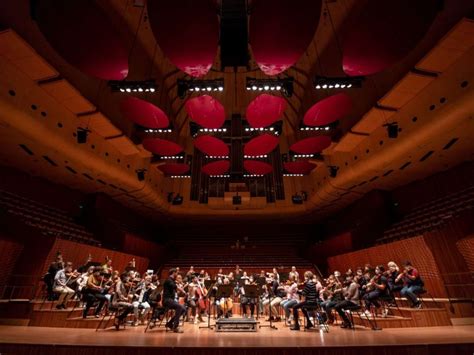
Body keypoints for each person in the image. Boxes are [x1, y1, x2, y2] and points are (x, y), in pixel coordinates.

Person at [162, 268, 186, 332]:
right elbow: (175, 287)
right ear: (173, 273)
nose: (177, 274)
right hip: (167, 300)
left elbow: (175, 290)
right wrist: (182, 290)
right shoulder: (168, 280)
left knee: (183, 309)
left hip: (171, 300)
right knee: (179, 307)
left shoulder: (172, 280)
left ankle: (169, 323)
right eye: (176, 273)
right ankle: (175, 327)